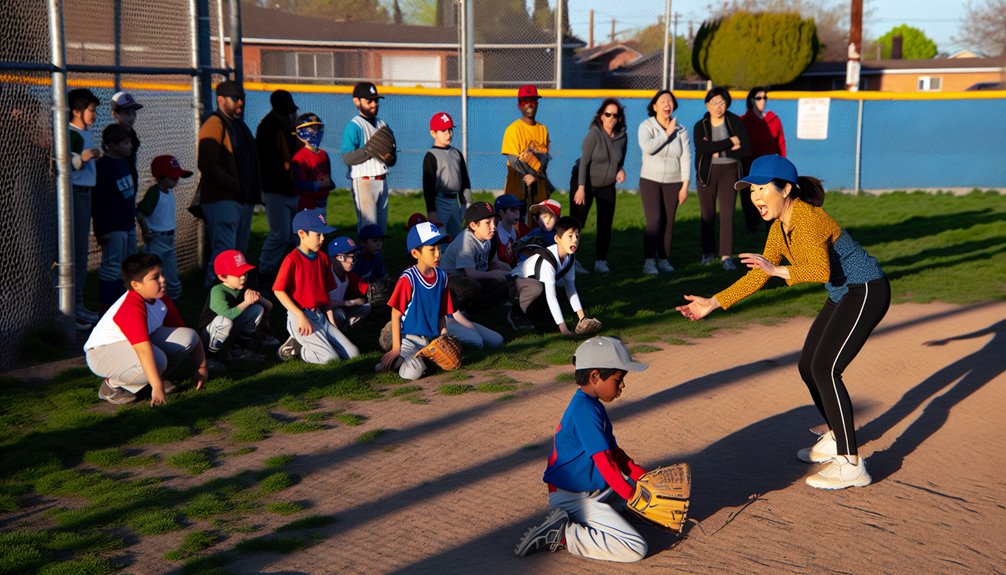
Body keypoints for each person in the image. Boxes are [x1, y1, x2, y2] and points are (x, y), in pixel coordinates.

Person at [676, 155, 890, 490]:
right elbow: (759, 276)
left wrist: (776, 271)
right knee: (809, 366)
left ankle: (851, 463)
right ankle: (836, 436)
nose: (756, 196)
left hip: (866, 290)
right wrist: (714, 302)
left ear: (786, 189)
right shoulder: (779, 227)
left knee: (825, 368)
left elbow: (819, 270)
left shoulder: (806, 218)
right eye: (751, 190)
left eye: (762, 188)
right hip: (842, 293)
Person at [513, 336, 649, 562]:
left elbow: (614, 453)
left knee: (642, 492)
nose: (622, 385)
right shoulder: (584, 410)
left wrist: (642, 477)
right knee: (635, 548)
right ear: (595, 376)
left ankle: (597, 516)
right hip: (574, 498)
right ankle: (565, 534)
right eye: (618, 379)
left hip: (594, 490)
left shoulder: (591, 405)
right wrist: (631, 495)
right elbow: (605, 464)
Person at [84, 253, 208, 406]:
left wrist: (201, 368)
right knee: (158, 360)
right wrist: (157, 387)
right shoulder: (131, 307)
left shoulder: (160, 297)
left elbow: (185, 333)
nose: (162, 280)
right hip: (101, 353)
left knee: (187, 337)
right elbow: (144, 350)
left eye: (162, 274)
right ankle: (112, 386)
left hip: (130, 345)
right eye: (155, 277)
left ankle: (152, 380)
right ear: (136, 285)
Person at [195, 80, 261, 287]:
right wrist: (233, 185)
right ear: (221, 100)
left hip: (240, 197)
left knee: (237, 252)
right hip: (222, 197)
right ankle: (214, 289)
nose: (240, 102)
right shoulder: (215, 122)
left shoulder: (238, 124)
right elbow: (206, 163)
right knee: (225, 250)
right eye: (235, 98)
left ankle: (230, 290)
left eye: (242, 98)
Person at [273, 209, 360, 364]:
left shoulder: (322, 258)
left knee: (353, 354)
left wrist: (332, 325)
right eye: (318, 234)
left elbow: (326, 298)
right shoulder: (292, 259)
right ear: (301, 234)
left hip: (320, 316)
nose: (322, 238)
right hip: (300, 316)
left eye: (323, 234)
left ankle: (305, 344)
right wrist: (300, 316)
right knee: (331, 359)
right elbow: (278, 290)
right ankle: (301, 350)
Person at [379, 221, 454, 380]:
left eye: (439, 248)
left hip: (431, 340)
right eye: (432, 249)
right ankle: (393, 361)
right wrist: (396, 348)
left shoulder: (442, 277)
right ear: (415, 253)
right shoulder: (409, 278)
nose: (437, 254)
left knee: (446, 362)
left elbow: (441, 314)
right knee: (412, 373)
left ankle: (402, 362)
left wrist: (444, 338)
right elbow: (395, 314)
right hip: (409, 339)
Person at [693, 86, 751, 271]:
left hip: (730, 172)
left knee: (727, 215)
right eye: (714, 103)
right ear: (707, 105)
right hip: (707, 173)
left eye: (722, 102)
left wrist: (718, 149)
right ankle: (708, 253)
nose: (718, 106)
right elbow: (703, 147)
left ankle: (726, 256)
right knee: (707, 215)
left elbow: (746, 149)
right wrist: (730, 143)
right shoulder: (700, 125)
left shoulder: (735, 122)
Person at [638, 90, 691, 275]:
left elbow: (685, 157)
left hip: (674, 181)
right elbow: (648, 148)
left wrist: (685, 185)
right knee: (654, 220)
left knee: (668, 222)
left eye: (670, 101)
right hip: (650, 180)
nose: (667, 104)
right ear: (654, 106)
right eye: (662, 101)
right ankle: (649, 261)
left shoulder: (681, 129)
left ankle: (664, 259)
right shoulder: (646, 126)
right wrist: (666, 134)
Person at [572, 98, 627, 274]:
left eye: (615, 115)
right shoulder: (594, 133)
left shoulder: (622, 137)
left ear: (619, 118)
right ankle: (572, 261)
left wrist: (620, 170)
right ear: (601, 116)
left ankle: (601, 261)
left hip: (607, 185)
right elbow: (584, 162)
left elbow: (619, 161)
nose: (611, 118)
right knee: (577, 223)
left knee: (605, 224)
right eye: (607, 114)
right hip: (585, 182)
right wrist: (581, 187)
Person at [509, 216, 590, 336]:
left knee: (549, 305)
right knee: (538, 289)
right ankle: (516, 313)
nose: (575, 241)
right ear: (557, 238)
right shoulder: (548, 260)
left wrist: (583, 319)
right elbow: (551, 296)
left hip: (534, 285)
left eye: (577, 236)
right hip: (514, 283)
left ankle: (534, 312)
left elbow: (571, 289)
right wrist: (564, 330)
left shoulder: (570, 257)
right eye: (570, 236)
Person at [198, 249, 273, 370]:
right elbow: (226, 315)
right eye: (238, 274)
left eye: (245, 272)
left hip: (227, 327)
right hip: (208, 334)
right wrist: (246, 302)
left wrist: (257, 297)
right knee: (224, 321)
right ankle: (209, 358)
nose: (243, 277)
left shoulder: (241, 287)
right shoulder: (217, 290)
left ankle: (237, 351)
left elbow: (269, 307)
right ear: (223, 276)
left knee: (257, 309)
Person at [256, 89, 302, 281]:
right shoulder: (267, 128)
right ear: (276, 112)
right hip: (276, 191)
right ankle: (264, 273)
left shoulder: (296, 126)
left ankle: (289, 274)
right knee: (280, 234)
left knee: (295, 236)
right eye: (286, 113)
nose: (291, 116)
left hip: (294, 190)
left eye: (293, 112)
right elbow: (267, 166)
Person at [93, 123, 138, 311]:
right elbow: (99, 201)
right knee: (112, 265)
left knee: (129, 263)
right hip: (113, 225)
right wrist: (101, 229)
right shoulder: (103, 166)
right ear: (111, 145)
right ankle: (107, 305)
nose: (131, 146)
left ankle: (124, 302)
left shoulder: (124, 161)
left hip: (128, 222)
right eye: (126, 143)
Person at [439, 202, 511, 317]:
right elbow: (471, 274)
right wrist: (494, 274)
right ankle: (447, 315)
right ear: (473, 225)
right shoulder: (466, 242)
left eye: (494, 221)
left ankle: (470, 312)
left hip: (470, 277)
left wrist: (510, 273)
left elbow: (493, 263)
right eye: (488, 222)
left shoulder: (488, 237)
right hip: (448, 280)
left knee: (503, 286)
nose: (493, 226)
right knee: (471, 288)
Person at [341, 82, 395, 234]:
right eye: (369, 100)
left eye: (376, 100)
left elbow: (392, 158)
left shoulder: (382, 124)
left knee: (381, 231)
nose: (374, 104)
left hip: (382, 181)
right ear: (356, 101)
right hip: (363, 182)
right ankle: (365, 258)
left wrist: (390, 157)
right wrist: (369, 150)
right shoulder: (354, 125)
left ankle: (378, 258)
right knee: (368, 230)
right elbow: (347, 158)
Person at [68, 88, 102, 328]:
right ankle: (72, 308)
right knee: (76, 251)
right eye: (90, 110)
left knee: (81, 250)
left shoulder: (85, 132)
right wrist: (82, 159)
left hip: (87, 193)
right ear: (76, 111)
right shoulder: (71, 134)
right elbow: (62, 164)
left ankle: (78, 305)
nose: (94, 115)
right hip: (75, 194)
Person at [137, 155, 192, 300]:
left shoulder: (169, 192)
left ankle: (172, 302)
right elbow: (140, 212)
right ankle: (149, 299)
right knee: (152, 271)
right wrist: (145, 231)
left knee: (172, 272)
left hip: (169, 238)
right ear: (160, 177)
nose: (177, 180)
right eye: (173, 177)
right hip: (156, 238)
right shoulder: (154, 192)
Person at [501, 85, 551, 222]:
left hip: (538, 187)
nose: (529, 104)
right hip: (517, 185)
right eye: (524, 101)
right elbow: (514, 161)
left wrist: (535, 176)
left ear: (537, 104)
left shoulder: (543, 130)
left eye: (533, 100)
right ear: (519, 106)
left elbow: (545, 159)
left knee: (538, 227)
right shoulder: (513, 129)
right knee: (517, 228)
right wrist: (528, 175)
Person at [740, 87, 786, 234]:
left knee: (770, 197)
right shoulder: (743, 121)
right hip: (750, 168)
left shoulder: (774, 119)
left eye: (765, 97)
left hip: (770, 168)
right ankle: (751, 227)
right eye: (759, 98)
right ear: (751, 101)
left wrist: (781, 165)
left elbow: (780, 143)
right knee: (750, 199)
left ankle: (771, 228)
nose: (763, 101)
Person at [422, 112, 473, 238]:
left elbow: (465, 181)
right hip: (439, 202)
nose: (448, 133)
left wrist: (466, 204)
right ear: (433, 133)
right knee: (441, 238)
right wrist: (431, 211)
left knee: (457, 238)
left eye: (450, 129)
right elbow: (428, 187)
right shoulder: (431, 156)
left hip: (454, 202)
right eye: (443, 130)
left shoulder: (456, 153)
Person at [291, 112, 334, 211]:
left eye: (317, 128)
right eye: (312, 128)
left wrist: (329, 184)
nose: (316, 131)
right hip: (307, 204)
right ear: (301, 131)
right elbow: (298, 185)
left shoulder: (323, 154)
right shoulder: (300, 157)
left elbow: (329, 179)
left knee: (321, 226)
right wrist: (318, 184)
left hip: (322, 203)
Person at [327, 236, 371, 331]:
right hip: (322, 316)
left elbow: (365, 288)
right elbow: (326, 306)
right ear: (338, 257)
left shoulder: (348, 275)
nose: (352, 261)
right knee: (338, 313)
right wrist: (351, 302)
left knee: (366, 307)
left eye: (354, 256)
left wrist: (373, 289)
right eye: (349, 256)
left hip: (339, 310)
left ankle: (343, 329)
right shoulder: (326, 275)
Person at [110, 91, 143, 191]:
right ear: (115, 114)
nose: (132, 117)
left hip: (130, 179)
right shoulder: (112, 136)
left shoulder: (132, 134)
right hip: (119, 182)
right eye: (127, 113)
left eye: (133, 113)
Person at [494, 193, 530, 268]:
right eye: (513, 210)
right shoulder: (494, 235)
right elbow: (494, 264)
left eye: (518, 209)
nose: (517, 213)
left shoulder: (522, 229)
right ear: (502, 213)